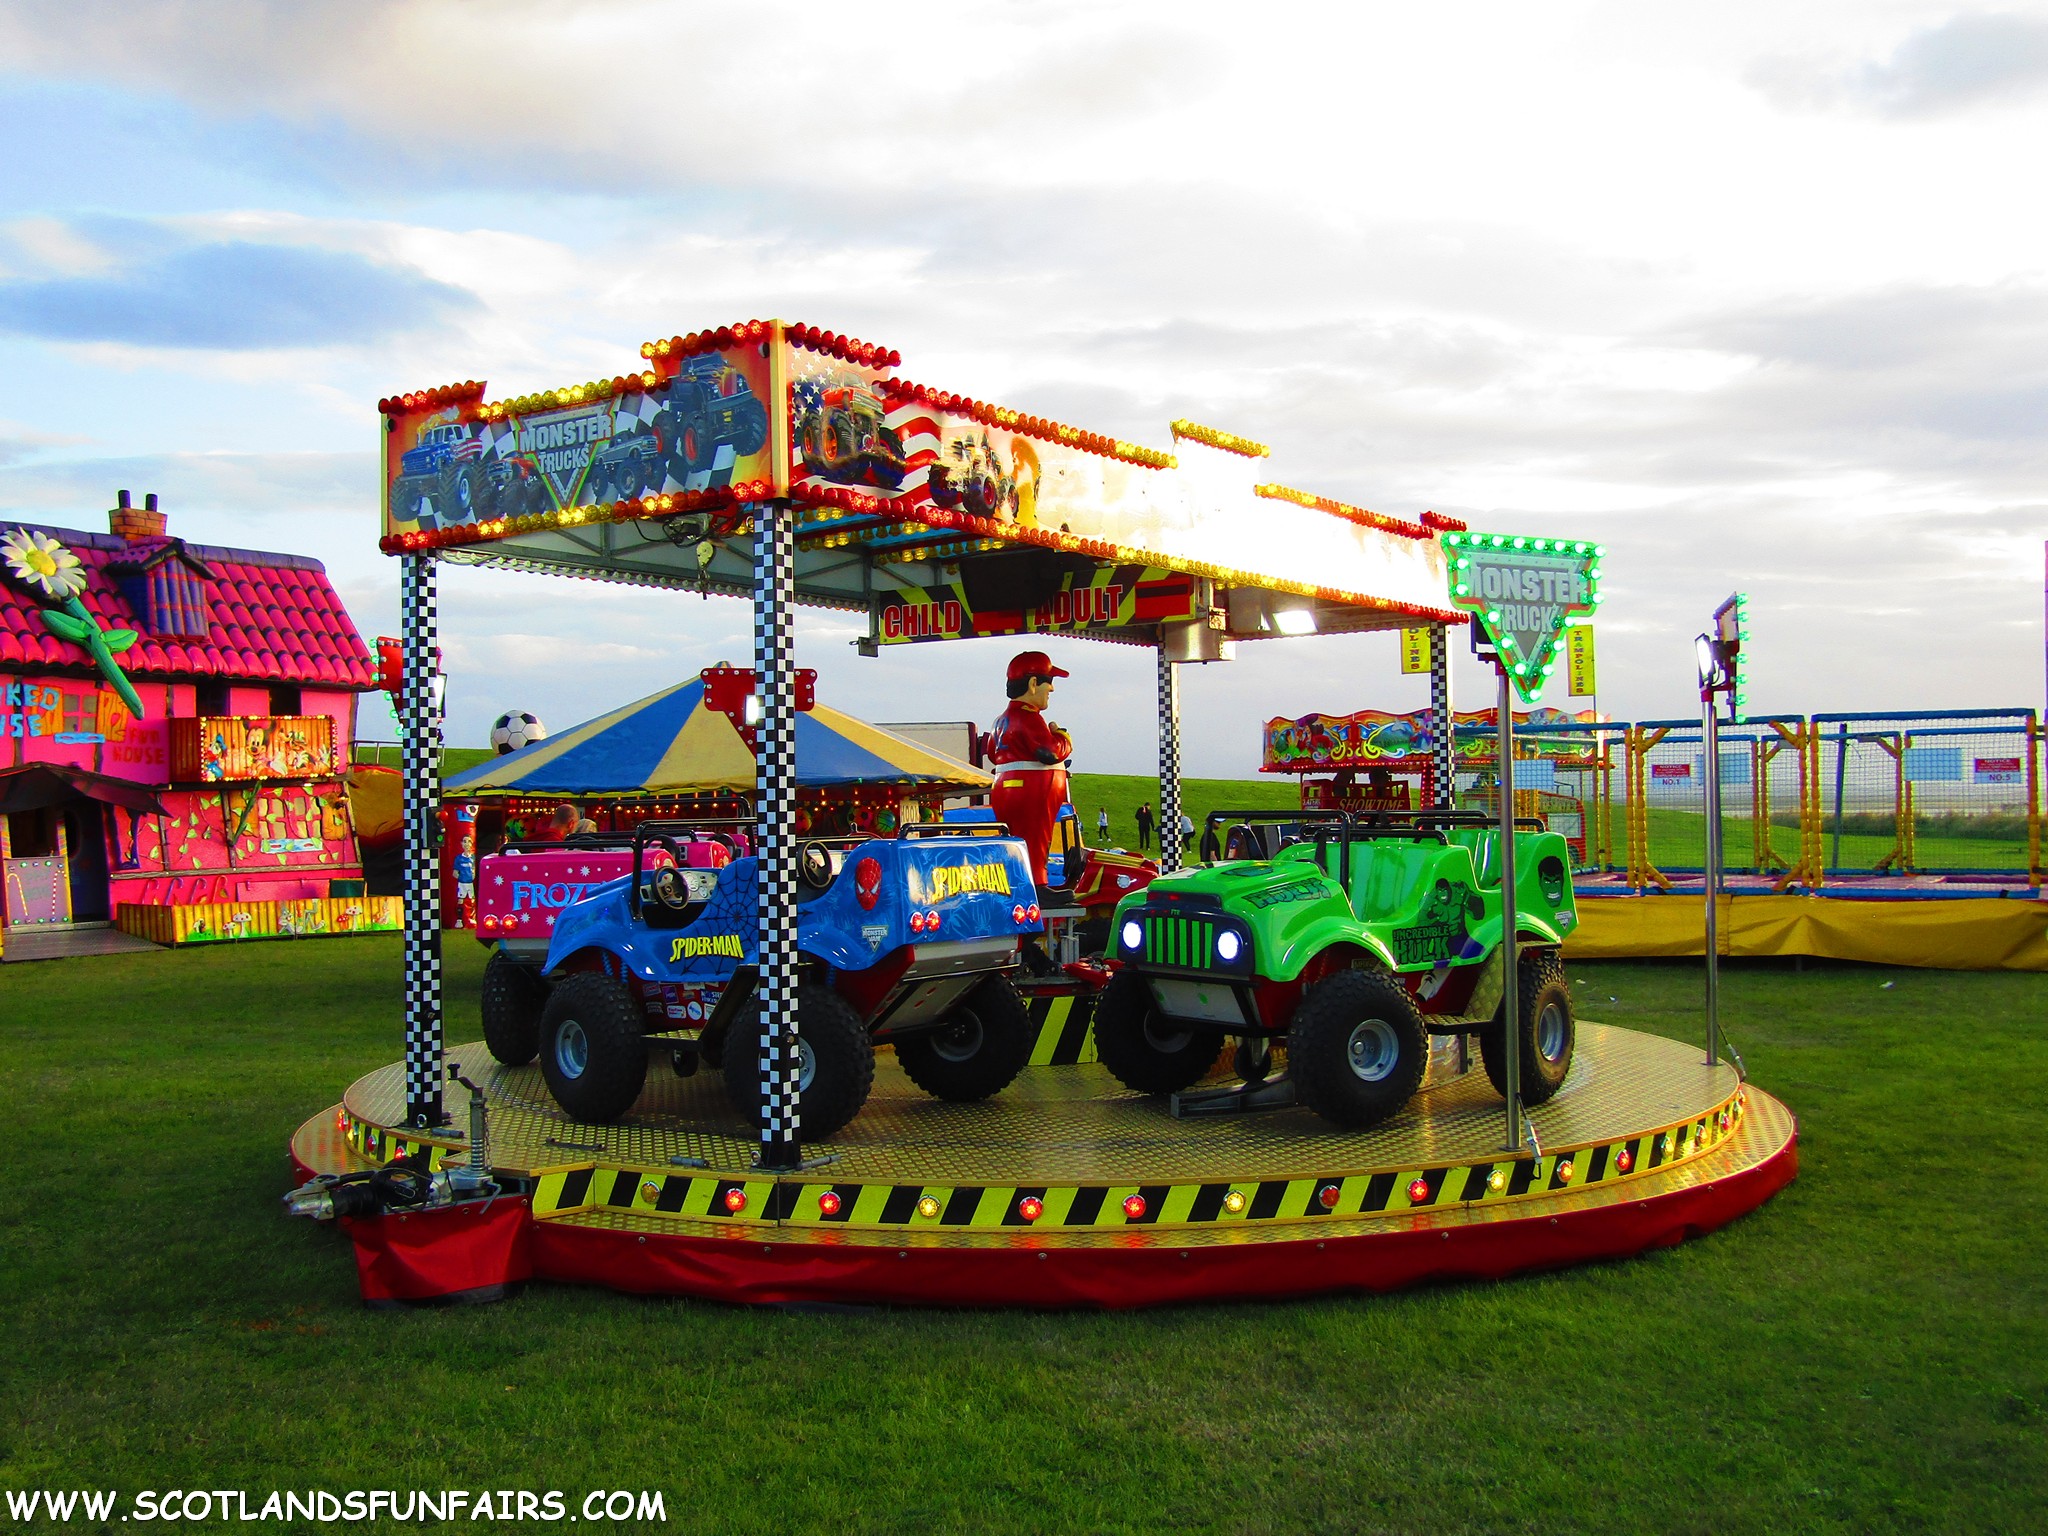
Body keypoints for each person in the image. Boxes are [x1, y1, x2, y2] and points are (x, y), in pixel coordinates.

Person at [986, 650, 1073, 887]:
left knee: (1018, 839)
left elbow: (992, 752)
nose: (1052, 690)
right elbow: (1050, 752)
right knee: (1035, 838)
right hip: (1032, 790)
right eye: (1050, 682)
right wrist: (1063, 737)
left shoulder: (1001, 720)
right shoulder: (1029, 717)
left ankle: (1019, 880)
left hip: (1006, 787)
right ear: (1034, 684)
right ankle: (1037, 885)